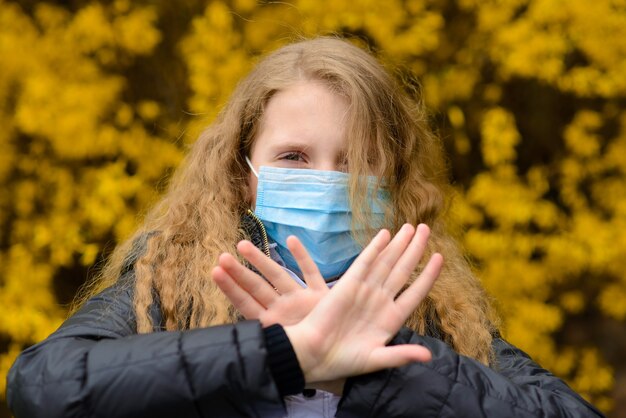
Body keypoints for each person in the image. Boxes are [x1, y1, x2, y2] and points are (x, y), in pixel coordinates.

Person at [6, 37, 604, 418]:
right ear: (243, 174)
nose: (328, 180)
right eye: (294, 157)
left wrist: (378, 362)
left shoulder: (430, 314)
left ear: (391, 182)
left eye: (355, 162)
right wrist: (285, 354)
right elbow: (44, 387)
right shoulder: (170, 287)